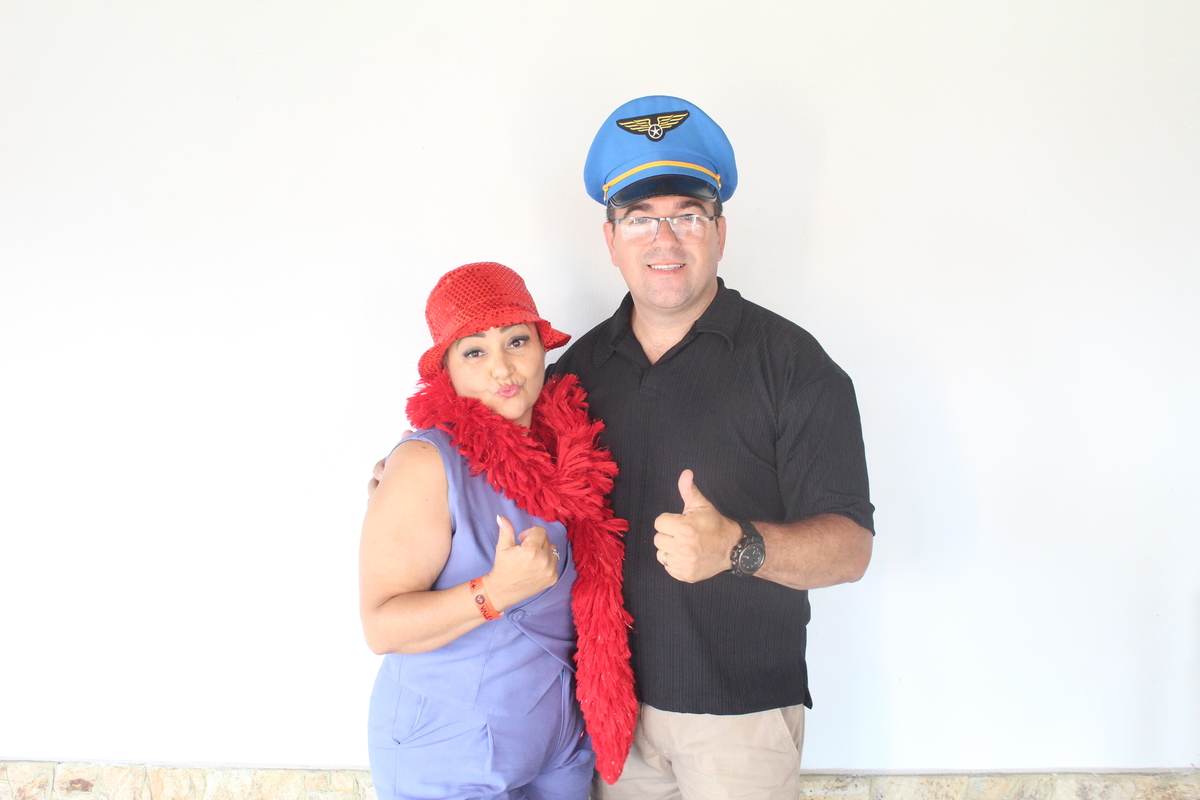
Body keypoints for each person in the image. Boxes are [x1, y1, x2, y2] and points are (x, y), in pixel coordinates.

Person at [546, 96, 877, 799]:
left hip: (741, 721)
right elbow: (499, 463)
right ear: (610, 238)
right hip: (607, 716)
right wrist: (414, 468)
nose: (664, 239)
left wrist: (737, 547)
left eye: (688, 215)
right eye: (640, 217)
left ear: (720, 232)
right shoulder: (573, 375)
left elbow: (850, 549)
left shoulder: (794, 366)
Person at [359, 262, 636, 800]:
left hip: (560, 740)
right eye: (474, 352)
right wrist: (495, 592)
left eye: (516, 341)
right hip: (449, 743)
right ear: (447, 369)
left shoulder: (573, 449)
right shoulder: (424, 462)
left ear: (542, 347)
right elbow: (381, 627)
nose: (502, 368)